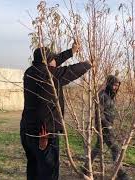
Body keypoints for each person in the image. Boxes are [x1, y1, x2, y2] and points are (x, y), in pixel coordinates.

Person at [20, 41, 91, 180]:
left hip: (27, 131)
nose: (54, 61)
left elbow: (53, 62)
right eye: (51, 59)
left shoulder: (29, 72)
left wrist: (71, 51)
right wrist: (88, 64)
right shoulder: (50, 76)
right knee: (49, 173)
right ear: (47, 62)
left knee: (33, 169)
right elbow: (70, 71)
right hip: (44, 134)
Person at [84, 75, 130, 180]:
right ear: (109, 84)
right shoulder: (102, 95)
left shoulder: (110, 95)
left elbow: (109, 110)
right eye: (114, 85)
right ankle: (120, 173)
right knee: (115, 148)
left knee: (98, 147)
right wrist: (107, 125)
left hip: (108, 126)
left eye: (117, 85)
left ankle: (86, 167)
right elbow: (99, 113)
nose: (116, 87)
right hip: (103, 127)